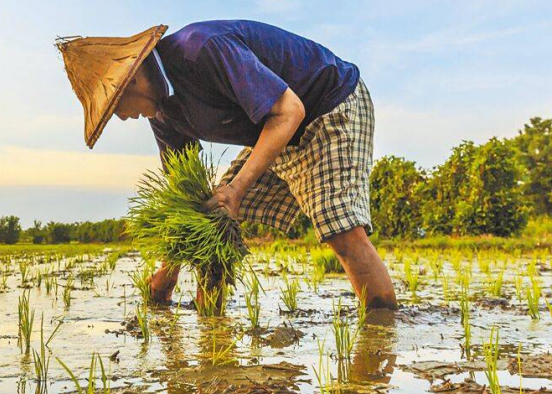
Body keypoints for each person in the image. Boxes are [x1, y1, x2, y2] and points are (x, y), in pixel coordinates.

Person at [57, 20, 397, 310]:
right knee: (213, 221)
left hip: (329, 103)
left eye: (114, 107)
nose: (121, 116)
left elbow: (289, 111)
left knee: (340, 228)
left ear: (129, 80)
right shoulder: (161, 113)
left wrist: (235, 189)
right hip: (278, 129)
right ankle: (214, 337)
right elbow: (187, 202)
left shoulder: (202, 50)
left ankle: (380, 338)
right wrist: (169, 270)